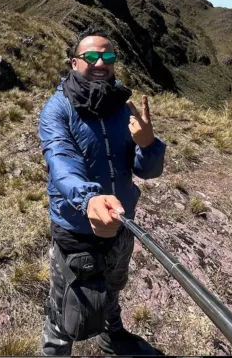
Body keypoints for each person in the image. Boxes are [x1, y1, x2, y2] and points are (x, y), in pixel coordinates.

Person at [38, 26, 166, 356]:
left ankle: (113, 337)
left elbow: (147, 171)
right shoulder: (58, 109)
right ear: (73, 62)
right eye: (91, 56)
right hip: (77, 227)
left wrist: (149, 145)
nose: (100, 62)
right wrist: (89, 198)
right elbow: (61, 158)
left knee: (112, 288)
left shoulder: (123, 107)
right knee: (64, 307)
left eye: (108, 56)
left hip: (122, 223)